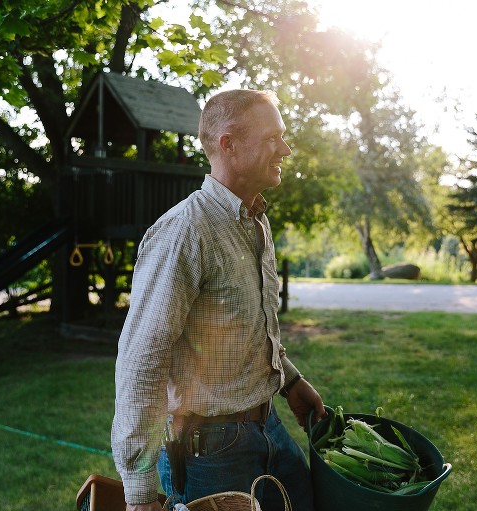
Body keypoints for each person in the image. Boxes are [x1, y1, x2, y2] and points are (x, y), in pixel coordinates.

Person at [111, 89, 327, 511]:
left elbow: (249, 328)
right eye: (272, 139)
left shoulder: (255, 221)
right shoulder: (183, 233)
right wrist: (138, 494)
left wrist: (292, 382)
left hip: (269, 427)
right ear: (228, 144)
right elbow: (141, 362)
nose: (285, 149)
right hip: (208, 450)